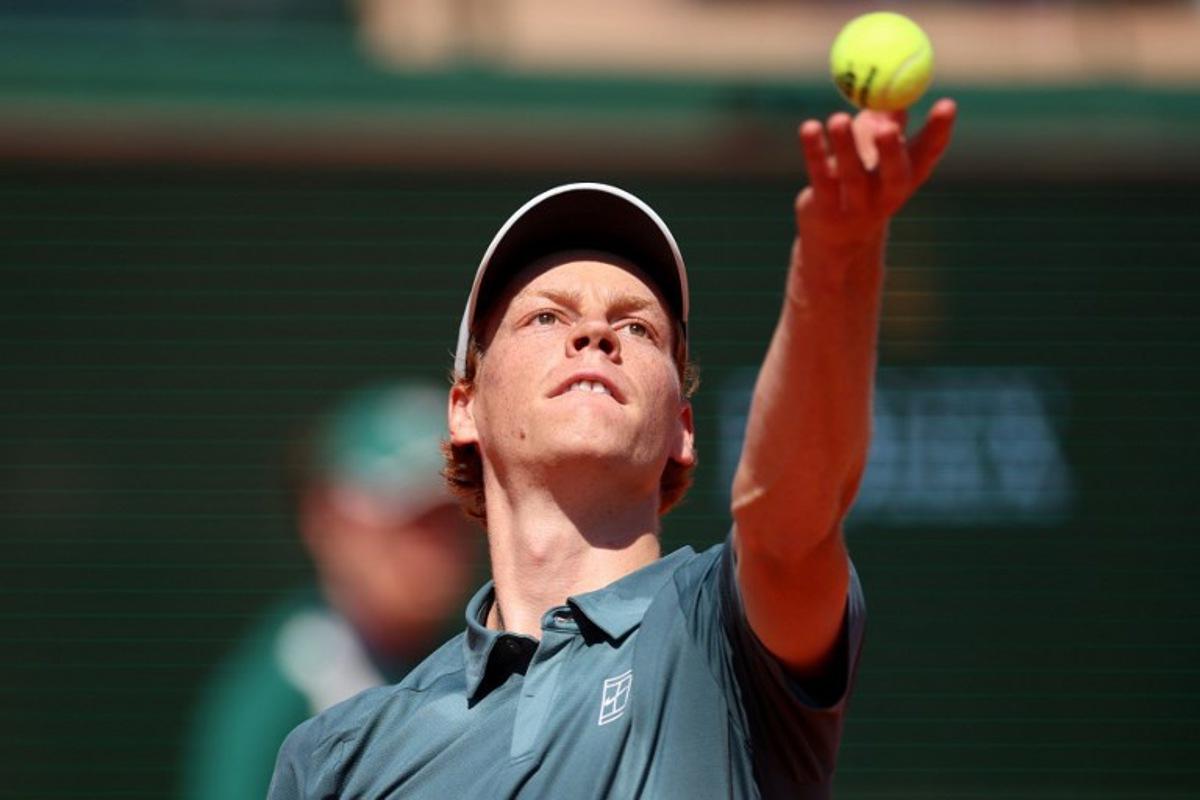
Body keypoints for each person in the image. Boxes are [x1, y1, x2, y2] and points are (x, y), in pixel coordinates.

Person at [268, 100, 957, 799]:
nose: (595, 332)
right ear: (465, 408)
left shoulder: (722, 631)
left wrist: (835, 261)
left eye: (638, 328)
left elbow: (789, 521)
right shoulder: (340, 757)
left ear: (681, 428)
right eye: (546, 316)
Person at [181, 382, 479, 800]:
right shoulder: (285, 695)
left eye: (447, 515)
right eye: (404, 516)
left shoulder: (481, 662)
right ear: (325, 519)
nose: (429, 545)